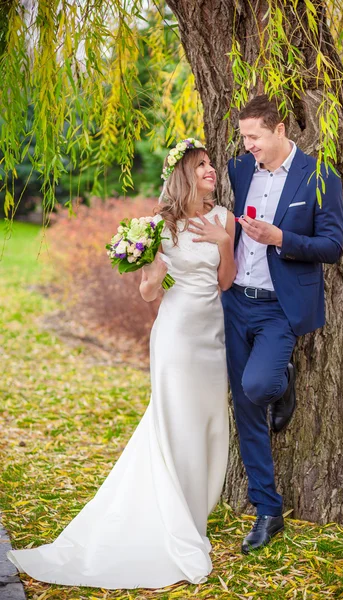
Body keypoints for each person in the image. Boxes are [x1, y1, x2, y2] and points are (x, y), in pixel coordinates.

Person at [7, 139, 237, 589]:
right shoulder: (158, 227)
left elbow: (225, 281)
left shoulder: (224, 219)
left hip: (213, 337)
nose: (211, 170)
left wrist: (225, 242)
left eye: (211, 164)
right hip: (175, 338)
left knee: (208, 423)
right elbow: (149, 294)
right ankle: (172, 520)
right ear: (184, 175)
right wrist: (150, 275)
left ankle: (193, 512)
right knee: (174, 422)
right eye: (202, 165)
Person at [222, 95, 343, 554]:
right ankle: (267, 511)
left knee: (258, 387)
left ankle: (280, 379)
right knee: (246, 411)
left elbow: (333, 246)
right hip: (235, 303)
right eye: (244, 138)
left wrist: (280, 238)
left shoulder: (319, 176)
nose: (247, 145)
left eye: (254, 137)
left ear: (279, 130)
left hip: (279, 307)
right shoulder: (239, 171)